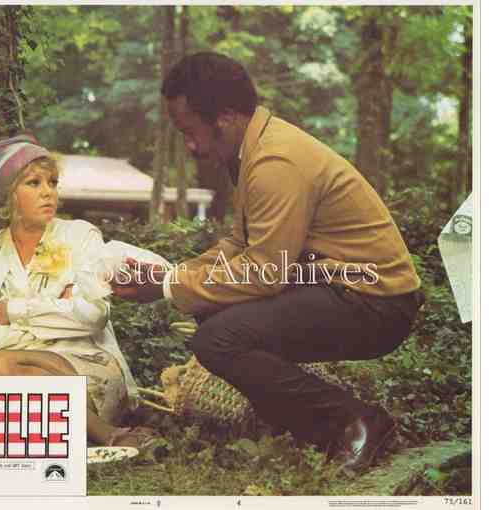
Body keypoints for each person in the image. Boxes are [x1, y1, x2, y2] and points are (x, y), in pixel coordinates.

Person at [112, 52, 423, 472]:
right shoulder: (256, 150)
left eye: (190, 131)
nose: (190, 146)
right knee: (214, 316)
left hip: (374, 302)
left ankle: (354, 421)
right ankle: (304, 422)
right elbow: (240, 245)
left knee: (217, 339)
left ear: (225, 118)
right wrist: (174, 274)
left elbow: (264, 273)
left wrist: (168, 287)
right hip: (340, 288)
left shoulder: (276, 162)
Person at [0, 133, 156, 448]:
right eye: (34, 183)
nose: (48, 192)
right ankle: (104, 435)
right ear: (8, 195)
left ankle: (88, 431)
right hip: (22, 371)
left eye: (52, 182)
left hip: (88, 369)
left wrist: (11, 311)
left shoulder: (81, 237)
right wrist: (53, 324)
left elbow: (93, 315)